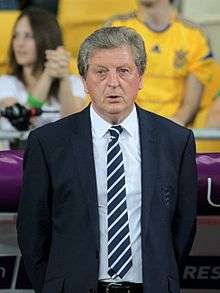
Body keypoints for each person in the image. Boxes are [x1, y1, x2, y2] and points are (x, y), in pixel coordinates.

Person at [17, 26, 197, 293]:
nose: (113, 82)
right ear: (84, 81)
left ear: (141, 78)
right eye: (101, 72)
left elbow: (182, 229)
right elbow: (32, 230)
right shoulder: (48, 143)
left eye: (124, 71)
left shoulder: (176, 141)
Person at [104, 0, 213, 127]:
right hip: (124, 124)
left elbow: (190, 104)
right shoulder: (115, 28)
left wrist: (173, 125)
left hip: (172, 127)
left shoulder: (195, 35)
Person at [0, 7, 85, 133]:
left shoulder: (73, 82)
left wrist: (63, 79)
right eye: (15, 36)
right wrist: (48, 75)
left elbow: (74, 126)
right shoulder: (6, 83)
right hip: (19, 152)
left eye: (28, 36)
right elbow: (22, 120)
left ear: (46, 38)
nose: (19, 43)